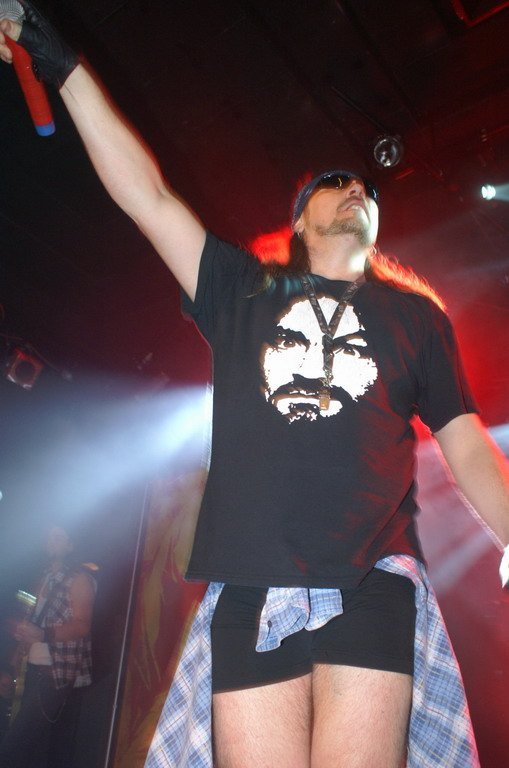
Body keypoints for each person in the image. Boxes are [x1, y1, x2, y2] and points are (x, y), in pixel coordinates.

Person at [1, 5, 509, 767]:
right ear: (299, 220)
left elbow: (463, 441)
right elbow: (148, 196)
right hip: (247, 581)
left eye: (366, 188)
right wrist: (63, 66)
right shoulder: (241, 291)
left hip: (369, 576)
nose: (356, 188)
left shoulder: (414, 318)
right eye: (335, 183)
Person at [0, 524, 96, 768]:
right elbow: (29, 621)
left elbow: (82, 625)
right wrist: (13, 664)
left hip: (56, 673)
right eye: (48, 536)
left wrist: (43, 634)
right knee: (34, 749)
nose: (50, 540)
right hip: (30, 668)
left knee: (14, 746)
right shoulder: (41, 577)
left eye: (58, 537)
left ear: (71, 545)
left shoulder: (80, 579)